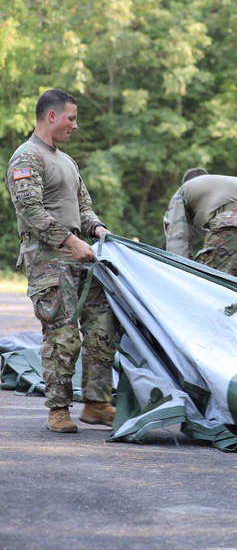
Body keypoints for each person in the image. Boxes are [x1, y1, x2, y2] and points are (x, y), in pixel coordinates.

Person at [5, 89, 118, 433]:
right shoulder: (26, 158)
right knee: (62, 334)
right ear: (51, 117)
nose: (76, 125)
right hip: (49, 260)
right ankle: (58, 409)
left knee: (103, 325)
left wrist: (97, 228)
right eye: (71, 117)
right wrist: (70, 240)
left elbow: (83, 206)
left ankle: (98, 403)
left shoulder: (67, 161)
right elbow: (30, 211)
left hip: (82, 258)